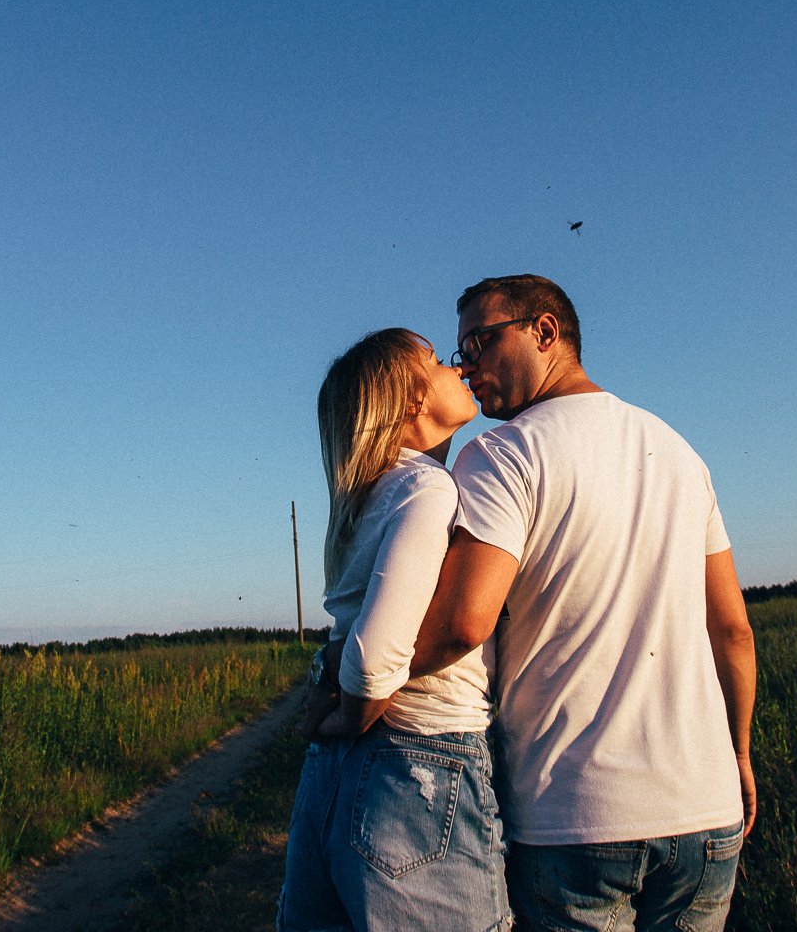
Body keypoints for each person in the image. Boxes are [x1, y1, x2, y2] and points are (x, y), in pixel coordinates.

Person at [411, 275, 757, 932]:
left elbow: (462, 624)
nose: (465, 364)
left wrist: (353, 674)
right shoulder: (682, 454)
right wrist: (739, 754)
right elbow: (733, 631)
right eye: (460, 350)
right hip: (709, 818)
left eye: (481, 341)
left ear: (545, 331)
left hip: (575, 821)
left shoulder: (504, 454)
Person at [278, 328, 512, 932]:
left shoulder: (368, 498)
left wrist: (335, 723)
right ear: (410, 399)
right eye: (436, 360)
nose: (458, 367)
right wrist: (353, 713)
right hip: (421, 761)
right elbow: (375, 654)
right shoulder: (427, 489)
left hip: (335, 771)